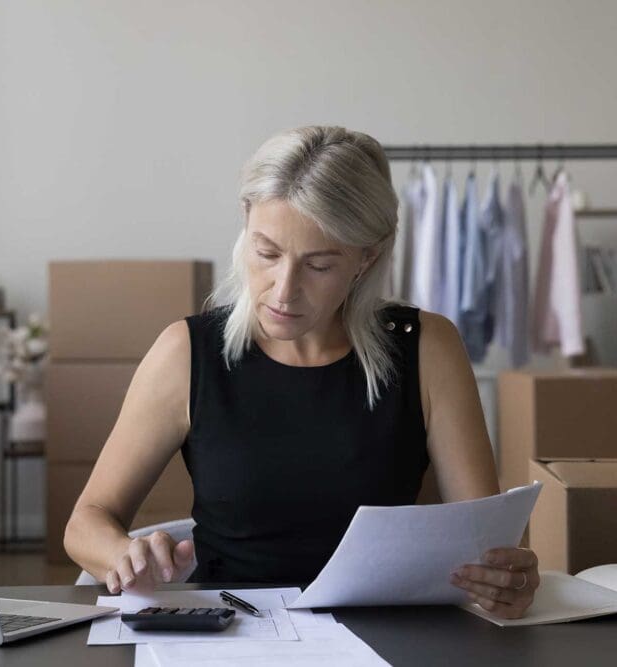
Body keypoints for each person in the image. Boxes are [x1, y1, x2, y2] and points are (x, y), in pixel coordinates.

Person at [64, 126, 540, 619]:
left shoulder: (427, 349)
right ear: (246, 223)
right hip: (232, 635)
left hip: (386, 633)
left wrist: (507, 578)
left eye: (318, 265)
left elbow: (487, 541)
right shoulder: (186, 353)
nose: (283, 290)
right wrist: (122, 554)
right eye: (266, 253)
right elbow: (86, 523)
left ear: (366, 257)